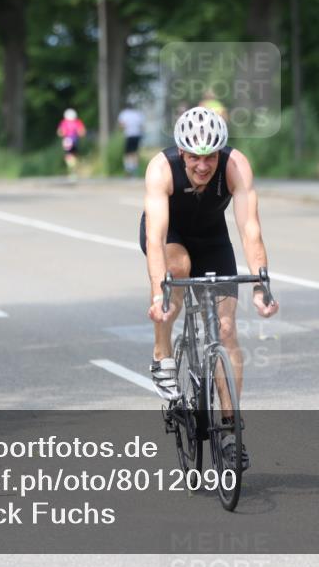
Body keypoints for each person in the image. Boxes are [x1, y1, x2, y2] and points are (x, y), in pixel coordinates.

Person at [140, 106, 279, 470]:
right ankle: (162, 352)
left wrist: (261, 284)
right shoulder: (161, 169)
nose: (203, 166)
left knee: (226, 329)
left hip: (213, 240)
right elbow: (155, 239)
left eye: (211, 157)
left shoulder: (236, 165)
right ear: (181, 152)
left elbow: (250, 229)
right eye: (194, 157)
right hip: (171, 237)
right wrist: (158, 294)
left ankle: (231, 430)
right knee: (178, 269)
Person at [117, 105, 145, 177]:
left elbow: (121, 124)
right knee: (135, 153)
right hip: (137, 135)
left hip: (128, 135)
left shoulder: (124, 113)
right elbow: (141, 126)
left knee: (127, 153)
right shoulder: (137, 113)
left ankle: (128, 170)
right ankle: (135, 170)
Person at [56, 108, 86, 177]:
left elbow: (60, 132)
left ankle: (71, 168)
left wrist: (63, 133)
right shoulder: (77, 122)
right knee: (73, 154)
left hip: (67, 141)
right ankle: (73, 168)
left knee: (69, 154)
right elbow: (82, 132)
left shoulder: (64, 122)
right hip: (74, 140)